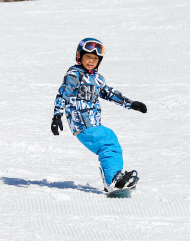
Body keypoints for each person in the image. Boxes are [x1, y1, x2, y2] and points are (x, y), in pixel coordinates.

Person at [51, 38, 147, 194]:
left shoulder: (97, 79)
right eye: (88, 57)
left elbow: (109, 93)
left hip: (92, 123)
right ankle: (113, 180)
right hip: (82, 123)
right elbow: (64, 94)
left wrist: (130, 104)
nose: (91, 61)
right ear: (79, 57)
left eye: (95, 59)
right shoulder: (74, 75)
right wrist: (57, 115)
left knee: (109, 141)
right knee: (108, 143)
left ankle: (113, 177)